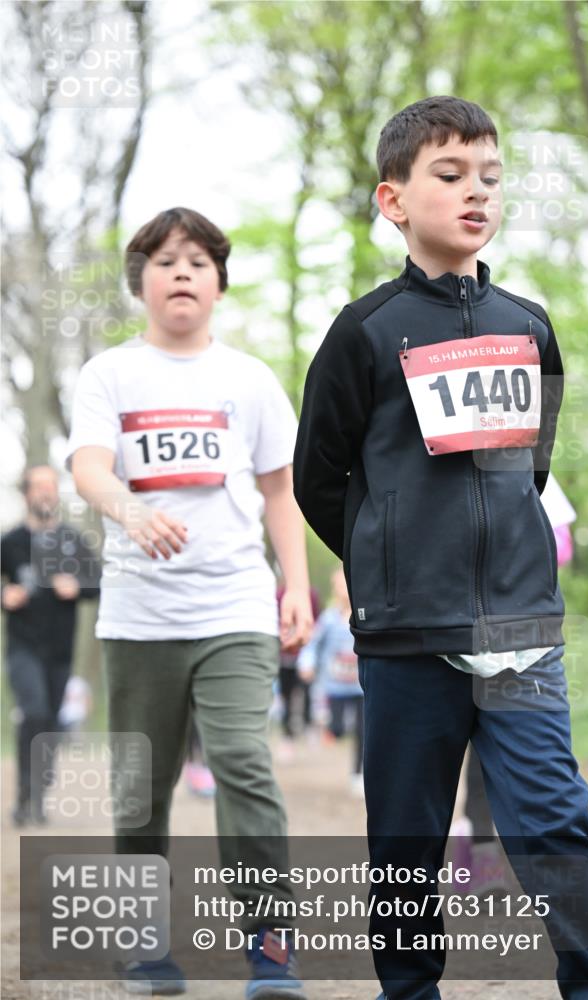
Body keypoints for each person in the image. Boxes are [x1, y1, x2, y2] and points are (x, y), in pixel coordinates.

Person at [294, 96, 588, 1000]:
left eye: (489, 176)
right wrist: (388, 562)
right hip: (408, 637)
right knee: (405, 839)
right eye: (449, 176)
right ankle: (410, 992)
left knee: (553, 825)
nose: (475, 192)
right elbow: (319, 477)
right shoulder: (361, 332)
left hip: (522, 626)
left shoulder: (528, 323)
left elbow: (529, 464)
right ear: (393, 200)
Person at [67, 207, 313, 998]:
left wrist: (296, 586)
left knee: (243, 762)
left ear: (217, 284)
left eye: (199, 262)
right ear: (140, 279)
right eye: (166, 260)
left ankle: (270, 946)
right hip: (140, 616)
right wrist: (131, 511)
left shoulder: (248, 379)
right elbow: (89, 467)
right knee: (142, 787)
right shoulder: (110, 373)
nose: (182, 272)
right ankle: (144, 943)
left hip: (235, 605)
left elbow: (281, 489)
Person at [452, 473, 577, 894]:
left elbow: (563, 543)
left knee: (507, 757)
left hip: (521, 631)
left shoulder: (527, 465)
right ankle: (477, 853)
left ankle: (487, 855)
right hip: (452, 625)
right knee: (466, 750)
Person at [1, 465, 100, 826]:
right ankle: (26, 792)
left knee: (53, 721)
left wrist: (78, 587)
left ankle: (37, 795)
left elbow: (98, 583)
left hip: (61, 649)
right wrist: (4, 594)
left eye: (52, 486)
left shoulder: (72, 541)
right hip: (23, 646)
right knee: (35, 710)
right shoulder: (11, 542)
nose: (47, 493)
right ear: (26, 493)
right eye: (39, 487)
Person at [297, 566, 364, 796]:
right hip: (335, 687)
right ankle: (331, 730)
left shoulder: (363, 616)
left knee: (363, 731)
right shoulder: (328, 619)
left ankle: (358, 774)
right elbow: (312, 645)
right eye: (338, 585)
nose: (343, 590)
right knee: (337, 728)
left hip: (360, 687)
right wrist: (306, 663)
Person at [275, 581, 320, 762]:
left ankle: (309, 726)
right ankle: (288, 737)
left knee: (306, 693)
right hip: (284, 656)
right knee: (286, 698)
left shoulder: (311, 594)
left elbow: (317, 621)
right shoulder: (278, 594)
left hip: (304, 656)